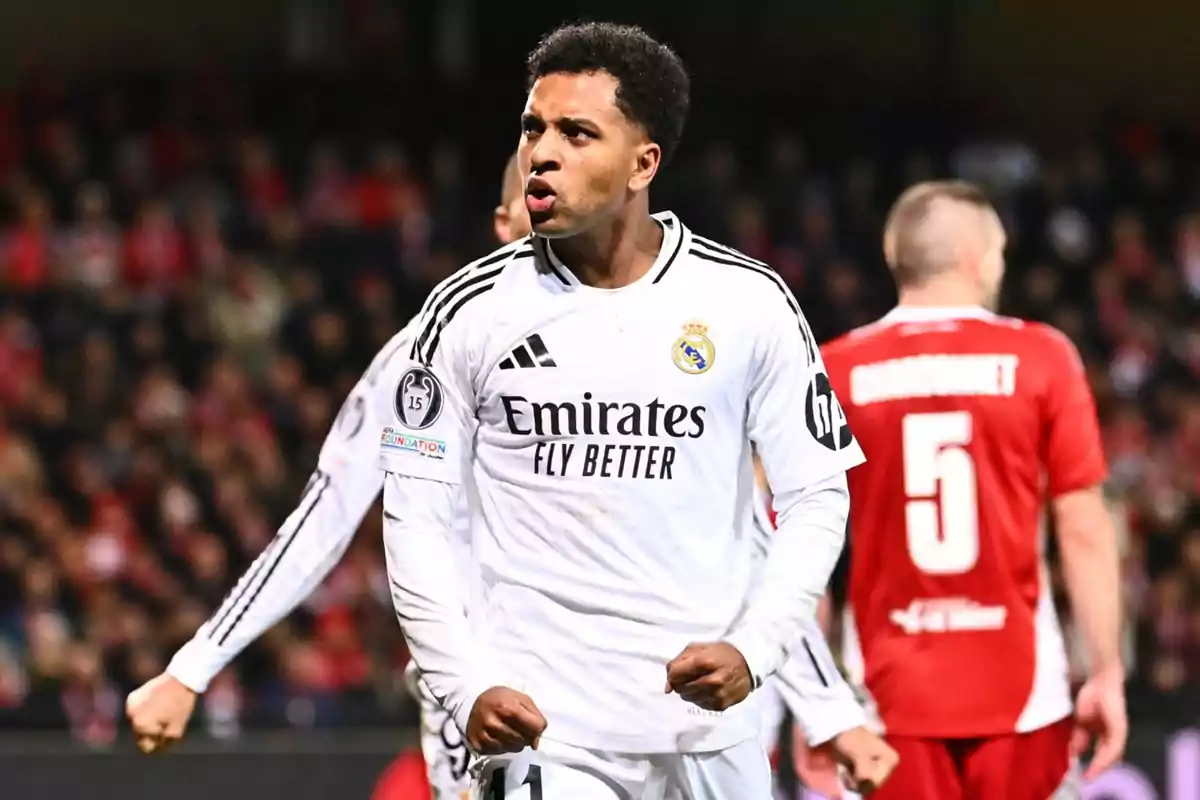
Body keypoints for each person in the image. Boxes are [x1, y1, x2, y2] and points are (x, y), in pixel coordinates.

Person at [125, 149, 889, 797]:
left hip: (676, 714)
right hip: (510, 703)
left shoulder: (671, 341)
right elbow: (325, 516)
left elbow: (752, 538)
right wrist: (195, 666)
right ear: (503, 226)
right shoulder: (436, 346)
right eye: (536, 202)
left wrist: (829, 711)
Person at [377, 22, 883, 799]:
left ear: (643, 163)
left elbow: (817, 496)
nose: (542, 153)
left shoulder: (747, 302)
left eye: (578, 134)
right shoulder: (467, 312)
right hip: (548, 733)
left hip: (710, 731)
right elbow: (413, 516)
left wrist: (754, 648)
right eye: (532, 128)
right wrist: (464, 682)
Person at [820, 180, 1128, 800]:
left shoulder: (836, 370)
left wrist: (816, 700)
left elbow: (796, 548)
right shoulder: (1042, 357)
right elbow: (1085, 529)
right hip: (1021, 697)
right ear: (978, 258)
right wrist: (1106, 672)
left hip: (886, 699)